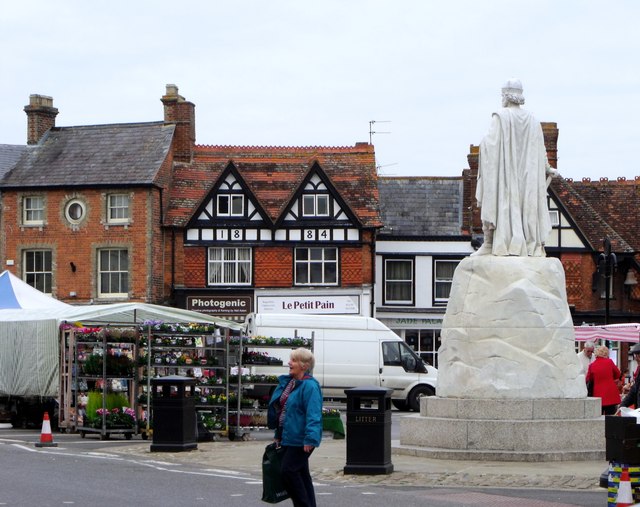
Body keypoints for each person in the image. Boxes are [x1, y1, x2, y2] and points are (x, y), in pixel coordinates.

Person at [474, 78, 559, 257]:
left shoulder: (500, 116)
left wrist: (484, 145)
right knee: (526, 208)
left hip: (506, 177)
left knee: (501, 204)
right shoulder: (533, 120)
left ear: (506, 95)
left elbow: (489, 144)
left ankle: (491, 243)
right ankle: (527, 244)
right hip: (527, 178)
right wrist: (547, 167)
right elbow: (540, 148)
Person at [267, 348, 323, 507]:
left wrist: (310, 438)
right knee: (302, 474)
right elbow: (283, 411)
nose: (289, 363)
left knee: (288, 471)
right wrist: (279, 433)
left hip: (301, 438)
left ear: (304, 366)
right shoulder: (290, 383)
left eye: (294, 361)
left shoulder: (310, 386)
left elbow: (314, 414)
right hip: (288, 436)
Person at [586, 346, 621, 415]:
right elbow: (618, 374)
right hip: (610, 394)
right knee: (611, 418)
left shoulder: (592, 365)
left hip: (598, 395)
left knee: (599, 417)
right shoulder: (609, 362)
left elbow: (588, 379)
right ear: (606, 353)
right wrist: (611, 378)